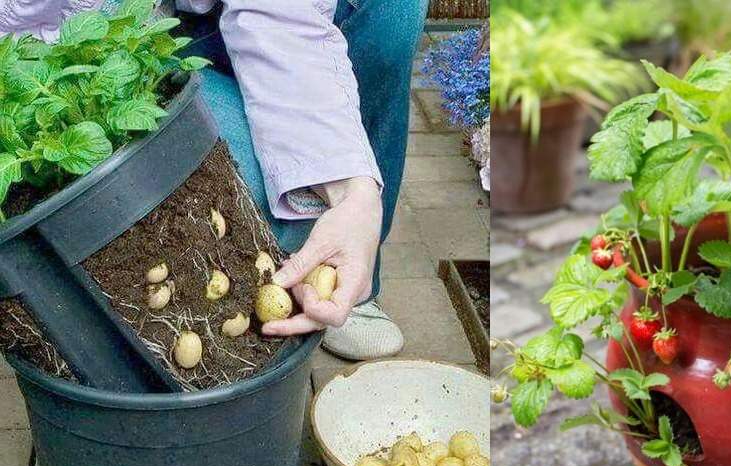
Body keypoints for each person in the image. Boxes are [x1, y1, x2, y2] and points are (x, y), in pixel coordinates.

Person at [0, 0, 428, 360]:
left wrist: (352, 188)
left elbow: (278, 14)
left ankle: (349, 278)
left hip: (158, 24)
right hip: (45, 45)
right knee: (244, 189)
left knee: (393, 10)